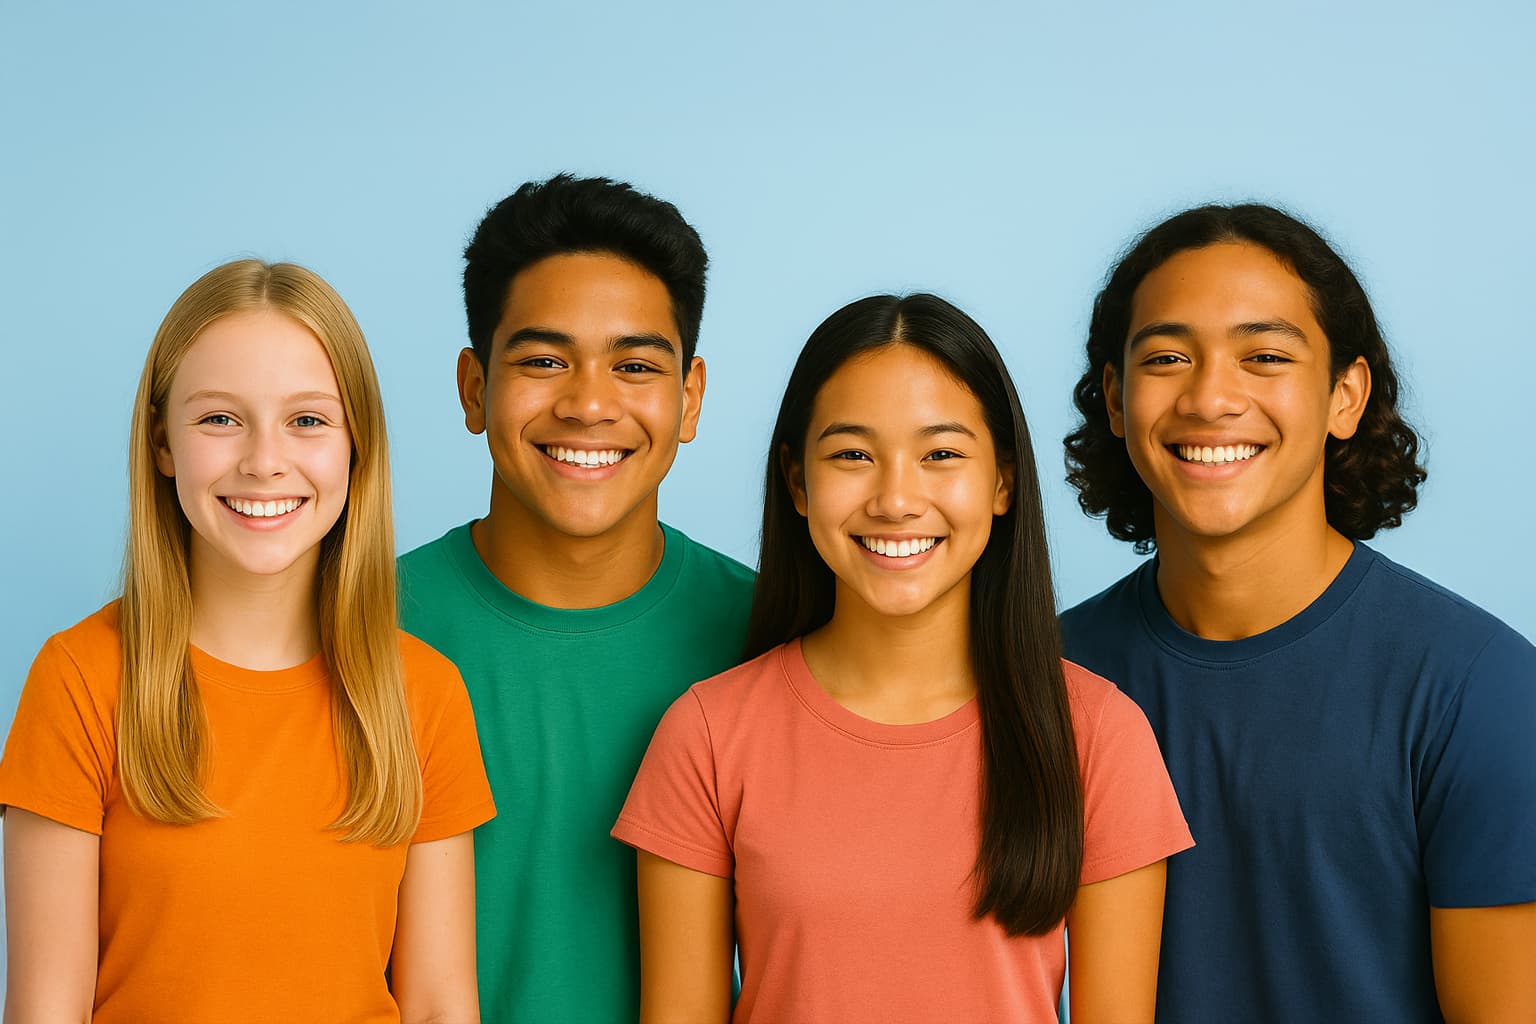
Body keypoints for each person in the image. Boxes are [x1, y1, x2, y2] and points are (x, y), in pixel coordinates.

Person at [613, 293, 1193, 1023]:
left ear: (1003, 481)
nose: (895, 498)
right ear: (798, 481)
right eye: (852, 455)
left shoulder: (1100, 735)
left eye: (941, 454)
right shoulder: (706, 734)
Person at [1061, 203, 1536, 1022]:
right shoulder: (1037, 675)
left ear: (1345, 397)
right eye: (1168, 357)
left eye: (1265, 356)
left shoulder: (1480, 691)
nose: (1212, 398)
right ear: (1115, 398)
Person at [0, 260, 495, 1022]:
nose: (265, 460)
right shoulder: (79, 679)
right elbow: (45, 1009)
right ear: (163, 444)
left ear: (356, 446)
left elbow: (437, 1004)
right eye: (220, 419)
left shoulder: (423, 693)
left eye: (307, 420)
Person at [397, 175, 755, 1021]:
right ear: (474, 387)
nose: (589, 403)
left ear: (690, 397)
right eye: (543, 361)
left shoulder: (774, 635)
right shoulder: (355, 624)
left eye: (634, 366)